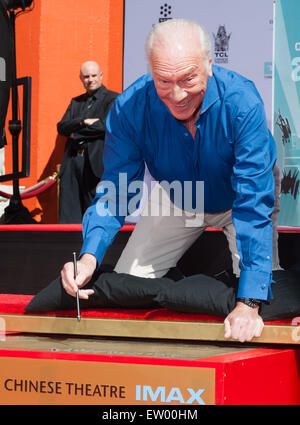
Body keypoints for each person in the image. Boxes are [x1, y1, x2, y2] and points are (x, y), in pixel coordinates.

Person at [60, 19, 277, 343]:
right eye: (163, 81)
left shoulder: (241, 103)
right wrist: (90, 255)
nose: (178, 95)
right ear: (150, 70)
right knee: (128, 283)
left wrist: (249, 301)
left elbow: (253, 200)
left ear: (209, 64)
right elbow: (118, 189)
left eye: (188, 79)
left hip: (239, 200)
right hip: (181, 194)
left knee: (261, 299)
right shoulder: (130, 109)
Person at [57, 61, 118, 223]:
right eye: (86, 76)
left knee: (97, 212)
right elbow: (62, 127)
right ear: (80, 78)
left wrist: (75, 133)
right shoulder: (76, 102)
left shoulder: (112, 98)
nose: (90, 80)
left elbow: (105, 126)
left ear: (101, 76)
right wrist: (84, 121)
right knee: (69, 213)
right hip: (72, 162)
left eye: (93, 76)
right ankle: (70, 247)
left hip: (95, 163)